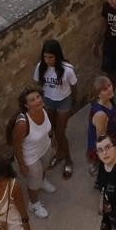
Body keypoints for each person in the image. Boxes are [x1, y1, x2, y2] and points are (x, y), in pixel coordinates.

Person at [33, 38, 77, 178]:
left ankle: (68, 159)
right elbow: (38, 85)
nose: (47, 60)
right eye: (45, 56)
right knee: (51, 129)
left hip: (64, 101)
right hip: (49, 101)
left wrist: (73, 102)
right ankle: (59, 153)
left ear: (57, 55)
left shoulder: (67, 69)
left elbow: (74, 85)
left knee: (60, 132)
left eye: (50, 57)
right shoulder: (41, 67)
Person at [10, 88, 56, 219]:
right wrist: (22, 164)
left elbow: (48, 130)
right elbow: (16, 145)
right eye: (32, 100)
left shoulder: (43, 109)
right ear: (26, 105)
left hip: (45, 147)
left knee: (44, 168)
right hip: (30, 156)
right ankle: (33, 203)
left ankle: (43, 181)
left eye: (38, 97)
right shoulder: (23, 123)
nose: (37, 100)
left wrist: (54, 143)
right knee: (33, 181)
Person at [87, 75, 116, 175]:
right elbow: (102, 141)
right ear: (98, 94)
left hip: (114, 139)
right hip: (107, 147)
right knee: (107, 170)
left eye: (109, 85)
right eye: (105, 89)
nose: (110, 89)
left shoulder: (108, 100)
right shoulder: (101, 114)